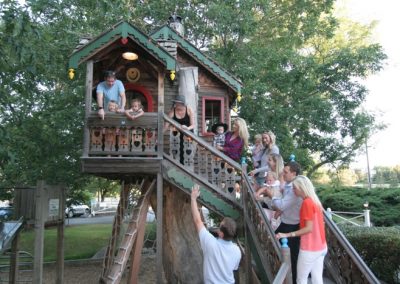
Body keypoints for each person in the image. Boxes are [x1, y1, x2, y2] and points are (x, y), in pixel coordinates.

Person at [276, 176, 327, 284]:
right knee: (317, 279)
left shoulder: (307, 203)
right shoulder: (315, 201)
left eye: (295, 188)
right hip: (321, 246)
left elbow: (308, 229)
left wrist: (287, 235)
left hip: (310, 248)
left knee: (301, 279)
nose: (293, 190)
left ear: (302, 188)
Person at [191, 184, 241, 284]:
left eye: (220, 226)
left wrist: (193, 198)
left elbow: (197, 221)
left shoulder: (210, 243)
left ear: (221, 234)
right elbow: (234, 268)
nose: (218, 227)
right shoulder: (237, 251)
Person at [263, 161, 302, 284]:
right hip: (286, 222)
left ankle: (292, 279)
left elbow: (283, 204)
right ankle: (284, 273)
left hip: (292, 225)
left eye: (286, 172)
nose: (283, 174)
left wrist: (271, 195)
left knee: (294, 256)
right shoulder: (290, 185)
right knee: (273, 242)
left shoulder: (295, 188)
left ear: (294, 173)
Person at [165, 95, 195, 164]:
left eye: (178, 103)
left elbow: (193, 125)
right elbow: (166, 125)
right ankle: (179, 167)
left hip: (188, 134)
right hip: (177, 135)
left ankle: (186, 168)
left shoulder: (189, 109)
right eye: (176, 103)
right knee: (178, 151)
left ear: (183, 104)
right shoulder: (173, 111)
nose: (177, 104)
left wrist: (187, 128)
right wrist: (159, 135)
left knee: (187, 151)